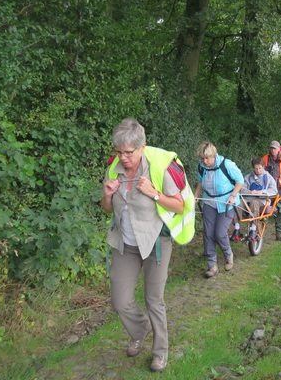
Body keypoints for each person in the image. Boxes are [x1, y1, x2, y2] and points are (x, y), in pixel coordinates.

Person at [101, 118, 190, 373]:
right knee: (120, 301)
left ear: (142, 147)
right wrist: (107, 195)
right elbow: (108, 209)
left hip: (155, 244)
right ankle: (140, 330)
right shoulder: (114, 169)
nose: (123, 157)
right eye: (119, 152)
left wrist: (154, 193)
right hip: (125, 244)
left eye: (129, 152)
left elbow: (179, 205)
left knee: (154, 300)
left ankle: (160, 351)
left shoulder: (159, 170)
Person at [194, 142, 244, 278]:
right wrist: (196, 195)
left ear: (214, 155)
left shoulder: (226, 165)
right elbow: (200, 181)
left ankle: (228, 255)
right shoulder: (202, 167)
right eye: (203, 158)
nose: (205, 161)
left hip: (226, 202)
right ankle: (212, 265)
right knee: (208, 233)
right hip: (209, 202)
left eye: (207, 158)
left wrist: (233, 196)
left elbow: (240, 180)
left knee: (220, 233)